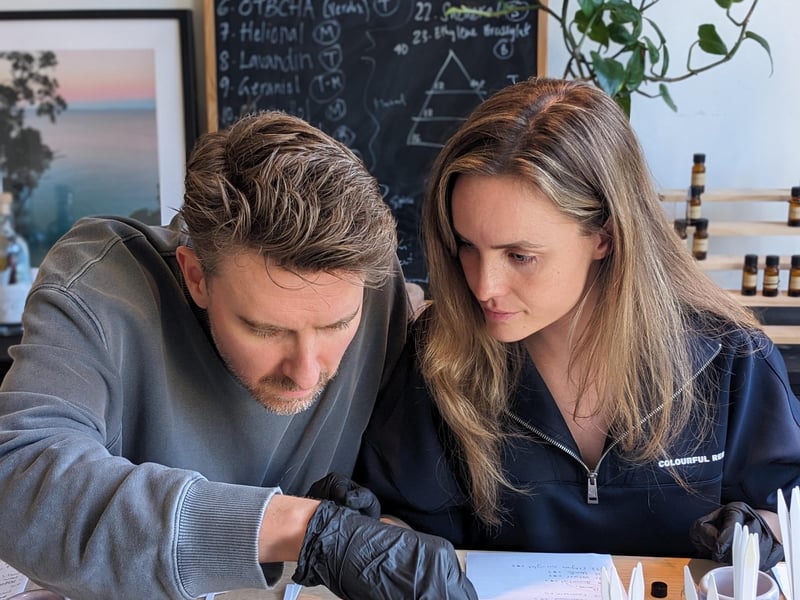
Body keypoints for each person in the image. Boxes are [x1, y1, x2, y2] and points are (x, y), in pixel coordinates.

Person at [0, 111, 476, 600]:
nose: (307, 373)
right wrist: (305, 529)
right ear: (196, 277)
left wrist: (376, 521)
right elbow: (18, 483)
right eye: (266, 330)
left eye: (336, 326)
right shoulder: (99, 288)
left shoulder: (371, 287)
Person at [356, 77, 800, 567]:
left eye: (520, 256)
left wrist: (766, 532)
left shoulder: (731, 359)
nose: (484, 287)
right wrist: (365, 535)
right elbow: (400, 522)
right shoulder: (438, 356)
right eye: (467, 246)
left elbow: (787, 508)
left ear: (604, 237)